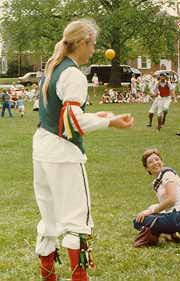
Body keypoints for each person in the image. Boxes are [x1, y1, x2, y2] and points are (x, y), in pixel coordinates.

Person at [33, 19, 134, 281]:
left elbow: (63, 114)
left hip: (43, 148)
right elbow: (73, 119)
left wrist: (95, 114)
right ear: (82, 43)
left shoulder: (53, 67)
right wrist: (109, 121)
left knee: (50, 218)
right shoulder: (73, 73)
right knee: (77, 220)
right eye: (92, 45)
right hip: (64, 152)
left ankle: (48, 277)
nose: (94, 51)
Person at [133, 148, 180, 246]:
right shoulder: (156, 182)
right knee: (138, 220)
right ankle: (170, 235)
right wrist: (152, 209)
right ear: (147, 168)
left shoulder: (167, 174)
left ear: (162, 161)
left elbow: (171, 200)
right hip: (176, 217)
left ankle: (160, 234)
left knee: (140, 220)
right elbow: (166, 206)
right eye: (150, 162)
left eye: (157, 159)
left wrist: (151, 211)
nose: (155, 163)